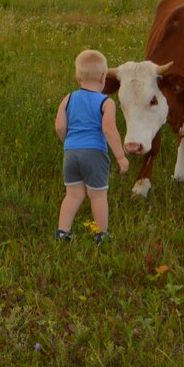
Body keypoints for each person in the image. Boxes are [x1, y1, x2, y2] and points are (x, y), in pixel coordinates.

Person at [54, 49, 129, 244]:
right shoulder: (106, 102)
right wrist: (120, 157)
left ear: (78, 76)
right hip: (95, 154)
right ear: (104, 77)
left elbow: (60, 126)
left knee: (73, 194)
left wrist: (68, 142)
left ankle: (63, 232)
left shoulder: (68, 98)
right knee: (97, 196)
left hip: (70, 153)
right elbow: (110, 131)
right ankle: (102, 235)